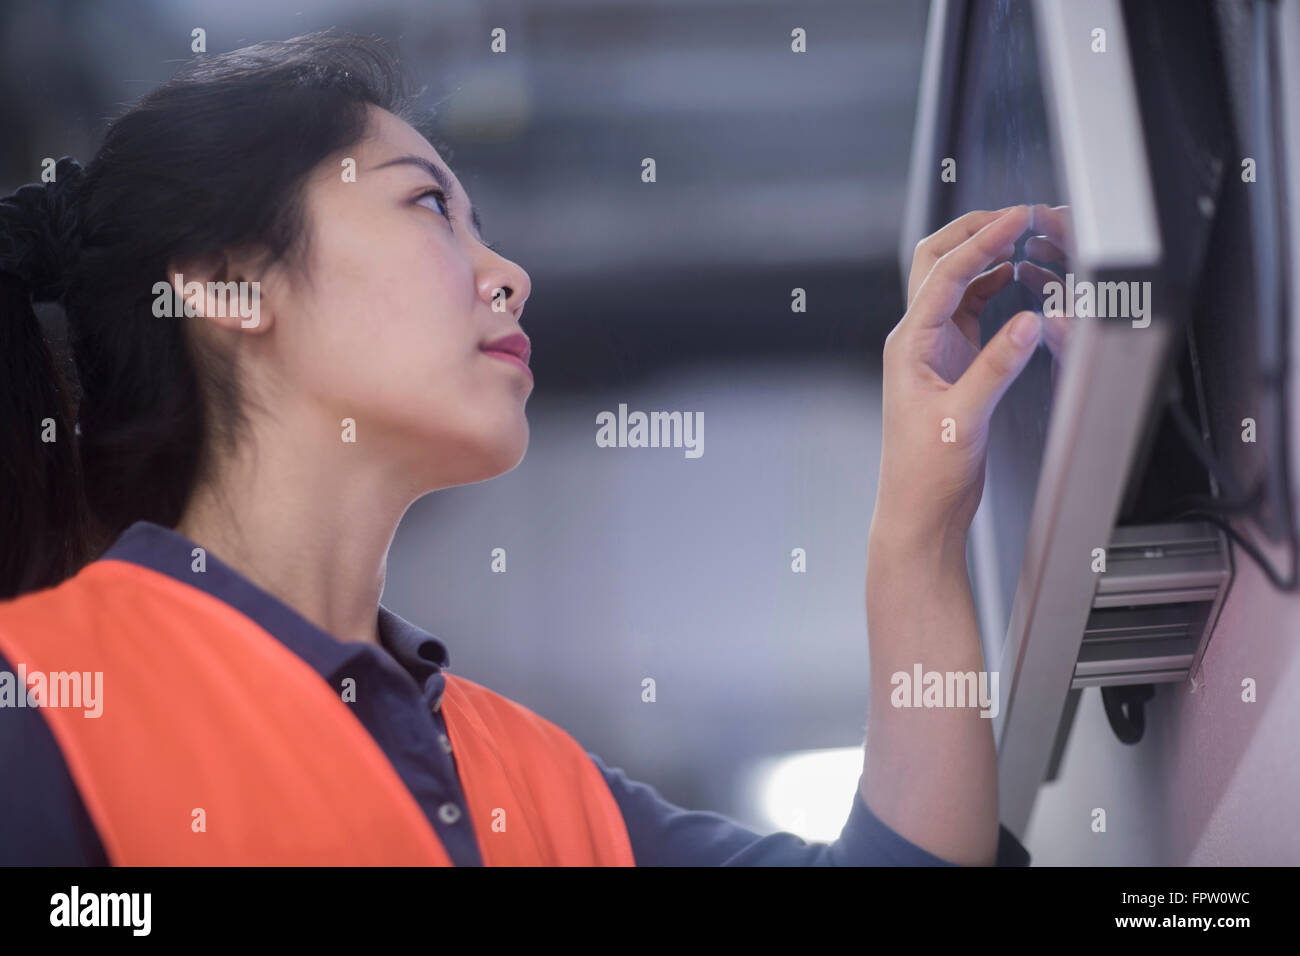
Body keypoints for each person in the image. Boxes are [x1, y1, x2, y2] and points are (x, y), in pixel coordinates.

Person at [0, 30, 1039, 866]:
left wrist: (920, 518)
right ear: (230, 281)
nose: (509, 273)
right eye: (427, 205)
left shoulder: (531, 780)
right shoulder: (38, 693)